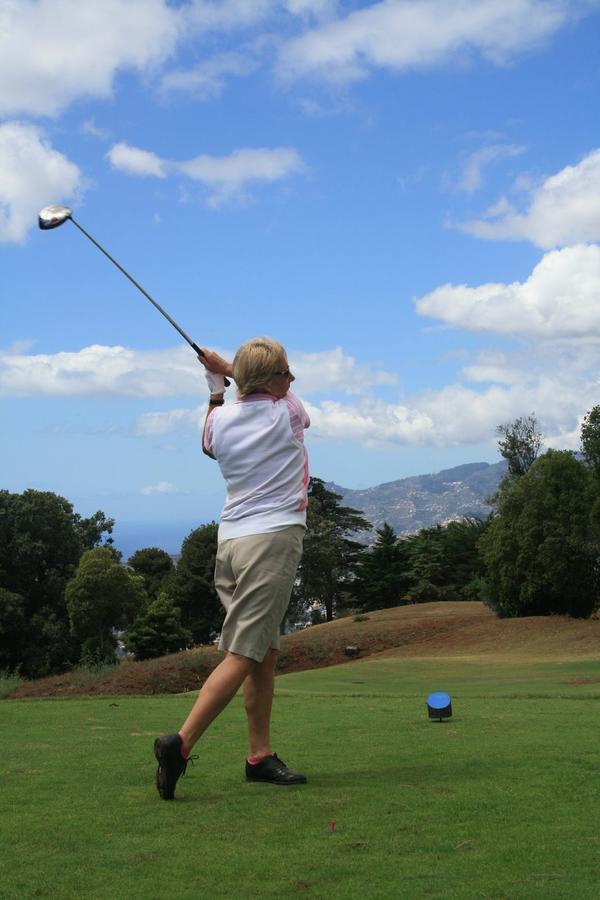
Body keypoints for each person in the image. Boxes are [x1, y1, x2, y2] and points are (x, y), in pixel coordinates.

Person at [153, 336, 310, 800]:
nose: (292, 377)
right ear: (272, 381)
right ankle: (180, 745)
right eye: (286, 371)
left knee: (262, 650)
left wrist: (214, 382)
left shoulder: (217, 420)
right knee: (244, 651)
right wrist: (227, 371)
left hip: (232, 543)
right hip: (272, 539)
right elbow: (287, 401)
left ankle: (259, 756)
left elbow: (208, 440)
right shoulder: (288, 414)